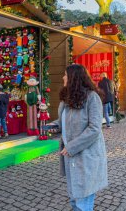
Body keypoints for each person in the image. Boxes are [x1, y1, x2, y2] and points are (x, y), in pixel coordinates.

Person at [49, 64, 108, 211]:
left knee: (83, 203)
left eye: (65, 75)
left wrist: (71, 147)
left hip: (86, 157)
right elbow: (62, 122)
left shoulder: (92, 98)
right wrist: (47, 127)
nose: (63, 77)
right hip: (71, 159)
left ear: (73, 78)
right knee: (75, 200)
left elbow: (94, 128)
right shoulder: (66, 98)